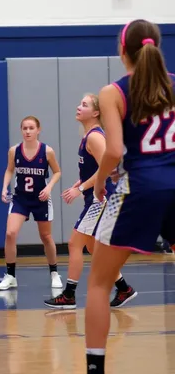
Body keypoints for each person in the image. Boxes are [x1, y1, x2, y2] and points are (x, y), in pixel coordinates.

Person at [66, 19, 175, 374]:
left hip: (140, 188)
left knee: (99, 283)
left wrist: (98, 182)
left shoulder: (113, 92)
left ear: (122, 50)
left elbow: (115, 151)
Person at [44, 94, 137, 310]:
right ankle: (124, 288)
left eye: (84, 105)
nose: (78, 107)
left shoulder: (95, 137)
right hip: (96, 196)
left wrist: (80, 188)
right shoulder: (89, 136)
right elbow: (96, 168)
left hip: (101, 197)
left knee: (74, 244)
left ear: (96, 113)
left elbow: (108, 168)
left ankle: (68, 295)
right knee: (92, 246)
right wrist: (81, 182)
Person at [0, 116, 63, 291]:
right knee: (10, 233)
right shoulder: (14, 151)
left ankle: (54, 272)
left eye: (31, 128)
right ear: (21, 130)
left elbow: (57, 172)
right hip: (20, 198)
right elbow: (10, 169)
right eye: (24, 128)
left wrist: (49, 187)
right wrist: (4, 187)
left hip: (41, 199)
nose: (27, 131)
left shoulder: (47, 151)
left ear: (38, 130)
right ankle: (10, 275)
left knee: (46, 237)